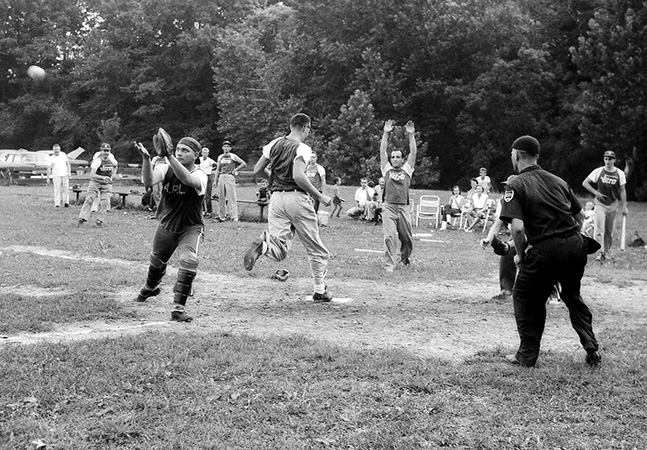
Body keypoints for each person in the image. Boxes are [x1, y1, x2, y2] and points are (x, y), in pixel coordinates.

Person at [499, 135, 600, 367]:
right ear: (537, 156)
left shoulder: (515, 184)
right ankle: (591, 347)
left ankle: (526, 356)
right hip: (575, 246)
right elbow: (581, 215)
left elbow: (517, 226)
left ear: (516, 154)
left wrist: (521, 256)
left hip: (545, 249)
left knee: (525, 296)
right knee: (572, 295)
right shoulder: (558, 181)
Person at [242, 113, 333, 302]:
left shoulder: (274, 143)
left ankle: (264, 244)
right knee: (316, 249)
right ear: (305, 127)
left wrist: (274, 180)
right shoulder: (303, 148)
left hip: (276, 199)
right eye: (309, 129)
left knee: (280, 249)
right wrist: (320, 196)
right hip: (297, 199)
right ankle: (320, 290)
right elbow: (299, 176)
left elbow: (257, 170)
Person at [133, 136, 207, 322]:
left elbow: (188, 179)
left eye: (185, 150)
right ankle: (150, 288)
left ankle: (178, 308)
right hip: (167, 225)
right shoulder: (166, 168)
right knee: (157, 261)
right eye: (178, 149)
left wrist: (169, 156)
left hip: (190, 227)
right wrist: (146, 159)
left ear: (196, 155)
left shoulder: (201, 174)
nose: (180, 153)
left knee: (189, 259)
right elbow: (149, 181)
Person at [380, 119, 417, 272]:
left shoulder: (407, 170)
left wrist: (411, 136)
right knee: (389, 236)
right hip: (388, 207)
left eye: (398, 157)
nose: (395, 159)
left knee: (406, 238)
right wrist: (386, 133)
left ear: (402, 159)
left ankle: (405, 259)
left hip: (403, 207)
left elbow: (413, 153)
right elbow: (382, 152)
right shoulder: (386, 169)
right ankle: (390, 264)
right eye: (393, 157)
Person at [582, 150, 629, 262]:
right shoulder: (598, 171)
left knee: (609, 230)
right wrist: (596, 193)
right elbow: (585, 183)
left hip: (613, 204)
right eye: (606, 159)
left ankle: (606, 252)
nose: (608, 161)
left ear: (614, 160)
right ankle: (599, 252)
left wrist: (624, 206)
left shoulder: (620, 174)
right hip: (599, 204)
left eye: (610, 159)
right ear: (604, 160)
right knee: (599, 228)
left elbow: (622, 190)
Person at [77, 143, 117, 227]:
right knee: (89, 199)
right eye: (104, 151)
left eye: (107, 151)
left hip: (106, 184)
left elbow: (116, 165)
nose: (106, 153)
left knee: (105, 202)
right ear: (101, 151)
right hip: (95, 182)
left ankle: (100, 221)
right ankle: (82, 218)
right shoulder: (97, 161)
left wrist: (113, 175)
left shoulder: (112, 159)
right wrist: (103, 178)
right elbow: (92, 174)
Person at [214, 140, 247, 222]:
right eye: (225, 146)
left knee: (231, 197)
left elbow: (243, 163)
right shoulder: (220, 157)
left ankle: (234, 216)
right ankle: (222, 216)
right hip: (222, 176)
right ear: (222, 148)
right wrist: (215, 180)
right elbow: (217, 169)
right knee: (221, 197)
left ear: (230, 148)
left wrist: (235, 169)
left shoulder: (233, 156)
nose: (226, 148)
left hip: (229, 176)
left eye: (228, 147)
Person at [199, 147, 217, 218]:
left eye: (206, 153)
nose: (204, 154)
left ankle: (209, 211)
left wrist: (213, 169)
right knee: (201, 193)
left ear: (208, 154)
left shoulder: (210, 160)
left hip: (208, 176)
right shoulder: (199, 159)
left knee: (208, 195)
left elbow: (217, 164)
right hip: (201, 176)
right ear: (201, 153)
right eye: (203, 152)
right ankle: (202, 210)